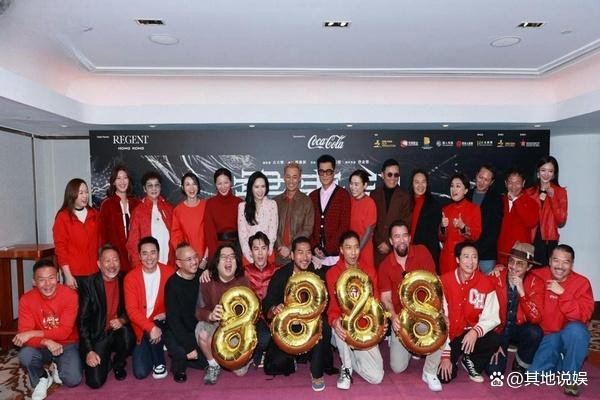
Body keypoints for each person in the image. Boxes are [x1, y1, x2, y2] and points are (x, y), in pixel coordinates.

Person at [262, 236, 333, 391]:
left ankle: (316, 373)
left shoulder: (317, 272)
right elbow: (268, 301)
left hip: (312, 323)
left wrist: (310, 315)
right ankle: (297, 358)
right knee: (274, 365)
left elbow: (326, 300)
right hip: (288, 326)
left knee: (323, 325)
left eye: (308, 252)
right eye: (300, 252)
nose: (305, 257)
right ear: (292, 255)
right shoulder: (281, 275)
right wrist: (274, 308)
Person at [378, 220, 441, 392]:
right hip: (402, 318)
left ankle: (429, 372)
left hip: (425, 313)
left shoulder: (422, 252)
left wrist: (433, 313)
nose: (401, 240)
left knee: (441, 326)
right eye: (397, 237)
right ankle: (413, 346)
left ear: (410, 237)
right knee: (398, 368)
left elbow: (434, 284)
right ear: (391, 241)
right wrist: (393, 317)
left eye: (404, 236)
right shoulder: (384, 266)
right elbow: (385, 297)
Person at [529, 244, 594, 397]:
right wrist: (499, 269)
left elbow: (584, 315)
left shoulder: (582, 283)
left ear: (572, 264)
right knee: (535, 375)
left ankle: (571, 377)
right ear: (549, 261)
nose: (560, 266)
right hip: (548, 336)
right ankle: (564, 359)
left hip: (569, 334)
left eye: (566, 262)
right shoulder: (537, 276)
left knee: (577, 331)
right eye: (556, 260)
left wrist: (563, 293)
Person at [13, 259, 82, 400]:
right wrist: (46, 341)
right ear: (34, 282)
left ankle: (57, 366)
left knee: (73, 380)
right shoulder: (26, 300)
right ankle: (43, 376)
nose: (48, 284)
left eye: (51, 278)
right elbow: (24, 337)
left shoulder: (70, 295)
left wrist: (33, 333)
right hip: (40, 346)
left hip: (67, 343)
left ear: (57, 277)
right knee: (25, 355)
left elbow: (64, 332)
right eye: (42, 280)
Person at [326, 231, 384, 389]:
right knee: (341, 323)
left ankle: (349, 357)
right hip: (343, 327)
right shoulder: (332, 273)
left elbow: (376, 302)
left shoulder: (369, 271)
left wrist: (377, 325)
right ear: (341, 250)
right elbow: (333, 307)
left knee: (376, 377)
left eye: (356, 247)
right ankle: (346, 368)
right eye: (348, 248)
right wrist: (335, 321)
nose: (353, 252)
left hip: (364, 326)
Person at [438, 241, 501, 384]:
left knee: (495, 339)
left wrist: (475, 331)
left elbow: (492, 317)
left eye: (474, 257)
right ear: (457, 259)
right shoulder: (444, 282)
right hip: (451, 335)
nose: (470, 261)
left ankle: (471, 361)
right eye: (466, 257)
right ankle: (454, 357)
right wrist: (446, 355)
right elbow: (441, 320)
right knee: (444, 377)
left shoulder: (486, 283)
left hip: (473, 335)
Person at [78, 244, 135, 388]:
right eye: (107, 261)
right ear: (99, 264)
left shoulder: (126, 278)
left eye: (115, 260)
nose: (112, 265)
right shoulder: (89, 284)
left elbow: (134, 308)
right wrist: (89, 351)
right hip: (98, 335)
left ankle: (118, 363)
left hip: (118, 331)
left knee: (128, 335)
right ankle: (104, 358)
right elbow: (82, 322)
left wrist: (122, 319)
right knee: (95, 382)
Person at [195, 244, 252, 384]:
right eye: (224, 257)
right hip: (215, 325)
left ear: (237, 262)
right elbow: (198, 311)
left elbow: (250, 313)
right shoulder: (207, 281)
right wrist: (210, 315)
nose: (228, 260)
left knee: (240, 372)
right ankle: (213, 364)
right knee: (201, 330)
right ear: (217, 262)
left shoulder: (243, 281)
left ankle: (242, 358)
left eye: (232, 257)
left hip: (236, 330)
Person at [487, 242, 544, 376]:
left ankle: (521, 362)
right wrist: (493, 341)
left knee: (535, 333)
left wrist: (523, 294)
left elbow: (536, 318)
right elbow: (483, 311)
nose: (513, 266)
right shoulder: (496, 276)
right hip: (497, 328)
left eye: (520, 263)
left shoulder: (537, 283)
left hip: (519, 328)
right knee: (494, 372)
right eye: (511, 261)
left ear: (529, 267)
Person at [124, 236, 175, 380]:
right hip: (142, 326)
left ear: (158, 254)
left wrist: (167, 313)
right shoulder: (131, 278)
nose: (149, 257)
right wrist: (151, 328)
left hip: (164, 320)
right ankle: (155, 345)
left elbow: (178, 301)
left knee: (156, 324)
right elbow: (132, 311)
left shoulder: (169, 272)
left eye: (153, 252)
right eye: (144, 253)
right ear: (139, 256)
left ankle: (159, 363)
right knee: (140, 372)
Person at [164, 242, 208, 383]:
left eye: (195, 257)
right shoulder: (172, 284)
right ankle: (178, 367)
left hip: (196, 329)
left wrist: (209, 271)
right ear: (179, 263)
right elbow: (174, 321)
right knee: (181, 351)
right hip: (176, 330)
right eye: (189, 259)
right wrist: (189, 347)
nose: (194, 261)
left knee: (208, 361)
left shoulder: (201, 275)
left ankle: (189, 357)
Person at [53, 178, 101, 289]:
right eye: (81, 193)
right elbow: (61, 249)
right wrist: (68, 275)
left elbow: (100, 243)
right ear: (72, 194)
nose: (85, 196)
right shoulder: (62, 217)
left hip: (94, 272)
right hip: (74, 274)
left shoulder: (95, 214)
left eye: (86, 192)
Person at [243, 232, 281, 366]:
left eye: (263, 248)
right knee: (264, 337)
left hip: (274, 315)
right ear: (251, 252)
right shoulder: (244, 272)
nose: (260, 253)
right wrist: (207, 271)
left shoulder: (278, 270)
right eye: (256, 249)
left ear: (269, 250)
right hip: (254, 319)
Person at [309, 154, 351, 269]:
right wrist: (314, 247)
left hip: (336, 257)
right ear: (318, 173)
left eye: (328, 172)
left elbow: (344, 226)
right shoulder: (312, 196)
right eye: (321, 172)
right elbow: (309, 226)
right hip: (316, 258)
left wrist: (327, 249)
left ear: (334, 172)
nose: (325, 175)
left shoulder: (343, 195)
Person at [525, 156, 568, 266]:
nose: (546, 174)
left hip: (549, 242)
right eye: (543, 170)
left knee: (547, 273)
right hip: (530, 240)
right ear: (538, 172)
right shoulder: (528, 192)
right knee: (531, 274)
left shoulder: (560, 192)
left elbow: (561, 221)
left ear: (554, 174)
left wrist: (553, 198)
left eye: (550, 171)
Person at [126, 171, 174, 268]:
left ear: (160, 187)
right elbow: (133, 243)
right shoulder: (138, 212)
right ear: (144, 189)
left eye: (156, 185)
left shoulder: (169, 208)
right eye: (150, 186)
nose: (154, 188)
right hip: (147, 265)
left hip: (168, 263)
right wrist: (137, 267)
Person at [99, 165, 140, 273]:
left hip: (135, 260)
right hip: (115, 261)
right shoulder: (107, 205)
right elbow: (102, 234)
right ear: (113, 182)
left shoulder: (137, 204)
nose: (122, 182)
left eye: (125, 178)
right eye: (118, 178)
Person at [438, 173, 482, 275]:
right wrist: (443, 227)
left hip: (465, 261)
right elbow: (441, 238)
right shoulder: (446, 209)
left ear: (465, 190)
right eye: (452, 186)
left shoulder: (474, 209)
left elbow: (476, 236)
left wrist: (462, 227)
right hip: (447, 260)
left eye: (458, 186)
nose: (454, 189)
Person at [371, 159, 411, 266]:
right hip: (377, 250)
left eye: (396, 175)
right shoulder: (374, 194)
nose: (393, 178)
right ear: (382, 175)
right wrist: (379, 242)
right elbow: (371, 223)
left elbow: (406, 223)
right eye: (389, 174)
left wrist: (389, 244)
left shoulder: (405, 197)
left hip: (396, 250)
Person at [274, 162, 314, 267]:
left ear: (300, 178)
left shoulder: (307, 201)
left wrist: (290, 248)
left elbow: (307, 229)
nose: (291, 181)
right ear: (284, 178)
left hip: (298, 257)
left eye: (295, 177)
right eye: (288, 177)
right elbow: (272, 228)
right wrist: (280, 247)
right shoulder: (275, 201)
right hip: (277, 256)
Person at [497, 169, 539, 266]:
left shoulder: (531, 203)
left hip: (521, 254)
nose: (513, 186)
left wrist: (516, 201)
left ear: (523, 183)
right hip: (502, 252)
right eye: (510, 182)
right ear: (506, 183)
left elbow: (531, 222)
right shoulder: (499, 201)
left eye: (517, 183)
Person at [466, 164, 503, 274]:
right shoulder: (466, 196)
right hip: (466, 253)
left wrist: (477, 251)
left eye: (486, 180)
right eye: (480, 177)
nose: (482, 182)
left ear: (491, 182)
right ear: (476, 176)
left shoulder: (496, 199)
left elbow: (494, 230)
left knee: (487, 283)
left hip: (486, 256)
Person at [237, 171, 278, 265]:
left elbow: (273, 232)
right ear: (251, 188)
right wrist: (250, 256)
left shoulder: (272, 204)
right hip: (249, 255)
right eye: (256, 187)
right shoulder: (242, 206)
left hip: (268, 254)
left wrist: (266, 252)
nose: (260, 190)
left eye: (263, 186)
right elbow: (242, 235)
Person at [170, 172, 209, 269]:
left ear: (198, 186)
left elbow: (211, 234)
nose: (191, 188)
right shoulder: (178, 211)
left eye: (194, 184)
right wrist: (186, 259)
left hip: (207, 260)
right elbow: (176, 238)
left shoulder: (207, 206)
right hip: (186, 263)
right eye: (187, 184)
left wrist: (205, 259)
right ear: (183, 188)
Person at [408, 168, 442, 271]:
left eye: (423, 182)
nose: (420, 185)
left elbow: (435, 234)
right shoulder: (406, 202)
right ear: (412, 184)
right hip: (408, 252)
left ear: (427, 184)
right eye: (417, 182)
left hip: (428, 254)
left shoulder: (434, 204)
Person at [204, 168, 242, 259]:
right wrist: (215, 256)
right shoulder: (210, 203)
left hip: (237, 248)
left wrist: (240, 252)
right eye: (219, 183)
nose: (223, 187)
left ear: (231, 183)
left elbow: (244, 232)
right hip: (218, 249)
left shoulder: (239, 203)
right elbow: (209, 232)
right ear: (215, 185)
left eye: (226, 182)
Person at [348, 170, 377, 268]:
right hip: (349, 249)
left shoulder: (370, 203)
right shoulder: (349, 201)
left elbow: (368, 233)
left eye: (356, 184)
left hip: (364, 249)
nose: (353, 187)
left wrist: (356, 251)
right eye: (351, 184)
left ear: (365, 185)